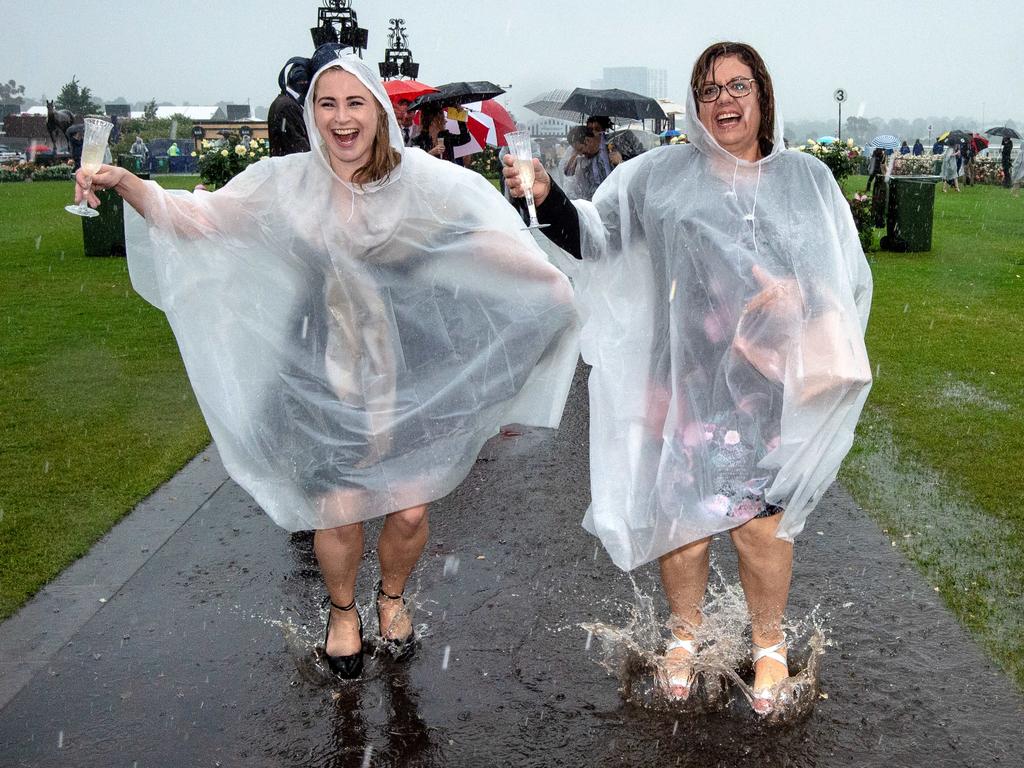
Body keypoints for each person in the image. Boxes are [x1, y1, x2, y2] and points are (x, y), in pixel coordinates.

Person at [73, 46, 579, 681]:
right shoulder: (287, 184)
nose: (342, 119)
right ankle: (344, 614)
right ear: (312, 113)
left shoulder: (424, 181)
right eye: (328, 104)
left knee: (411, 505)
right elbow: (199, 218)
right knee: (338, 506)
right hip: (324, 367)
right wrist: (123, 181)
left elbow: (482, 240)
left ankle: (391, 598)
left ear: (378, 112)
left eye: (355, 103)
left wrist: (550, 285)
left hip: (407, 363)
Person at [504, 40, 871, 715]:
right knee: (684, 518)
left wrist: (801, 299)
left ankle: (766, 645)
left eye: (738, 86)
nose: (724, 100)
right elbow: (597, 239)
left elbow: (837, 281)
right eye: (709, 90)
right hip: (683, 379)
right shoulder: (662, 177)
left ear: (762, 96)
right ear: (697, 107)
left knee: (761, 523)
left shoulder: (804, 182)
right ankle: (684, 636)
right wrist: (547, 194)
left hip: (766, 386)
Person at [267, 56, 311, 157]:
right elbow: (297, 144)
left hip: (284, 167)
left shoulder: (284, 102)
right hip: (292, 168)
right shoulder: (287, 107)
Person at [562, 125, 605, 201]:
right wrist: (574, 155)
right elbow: (568, 173)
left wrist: (619, 162)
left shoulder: (608, 151)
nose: (581, 154)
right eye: (576, 150)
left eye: (581, 149)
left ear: (588, 141)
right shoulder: (581, 158)